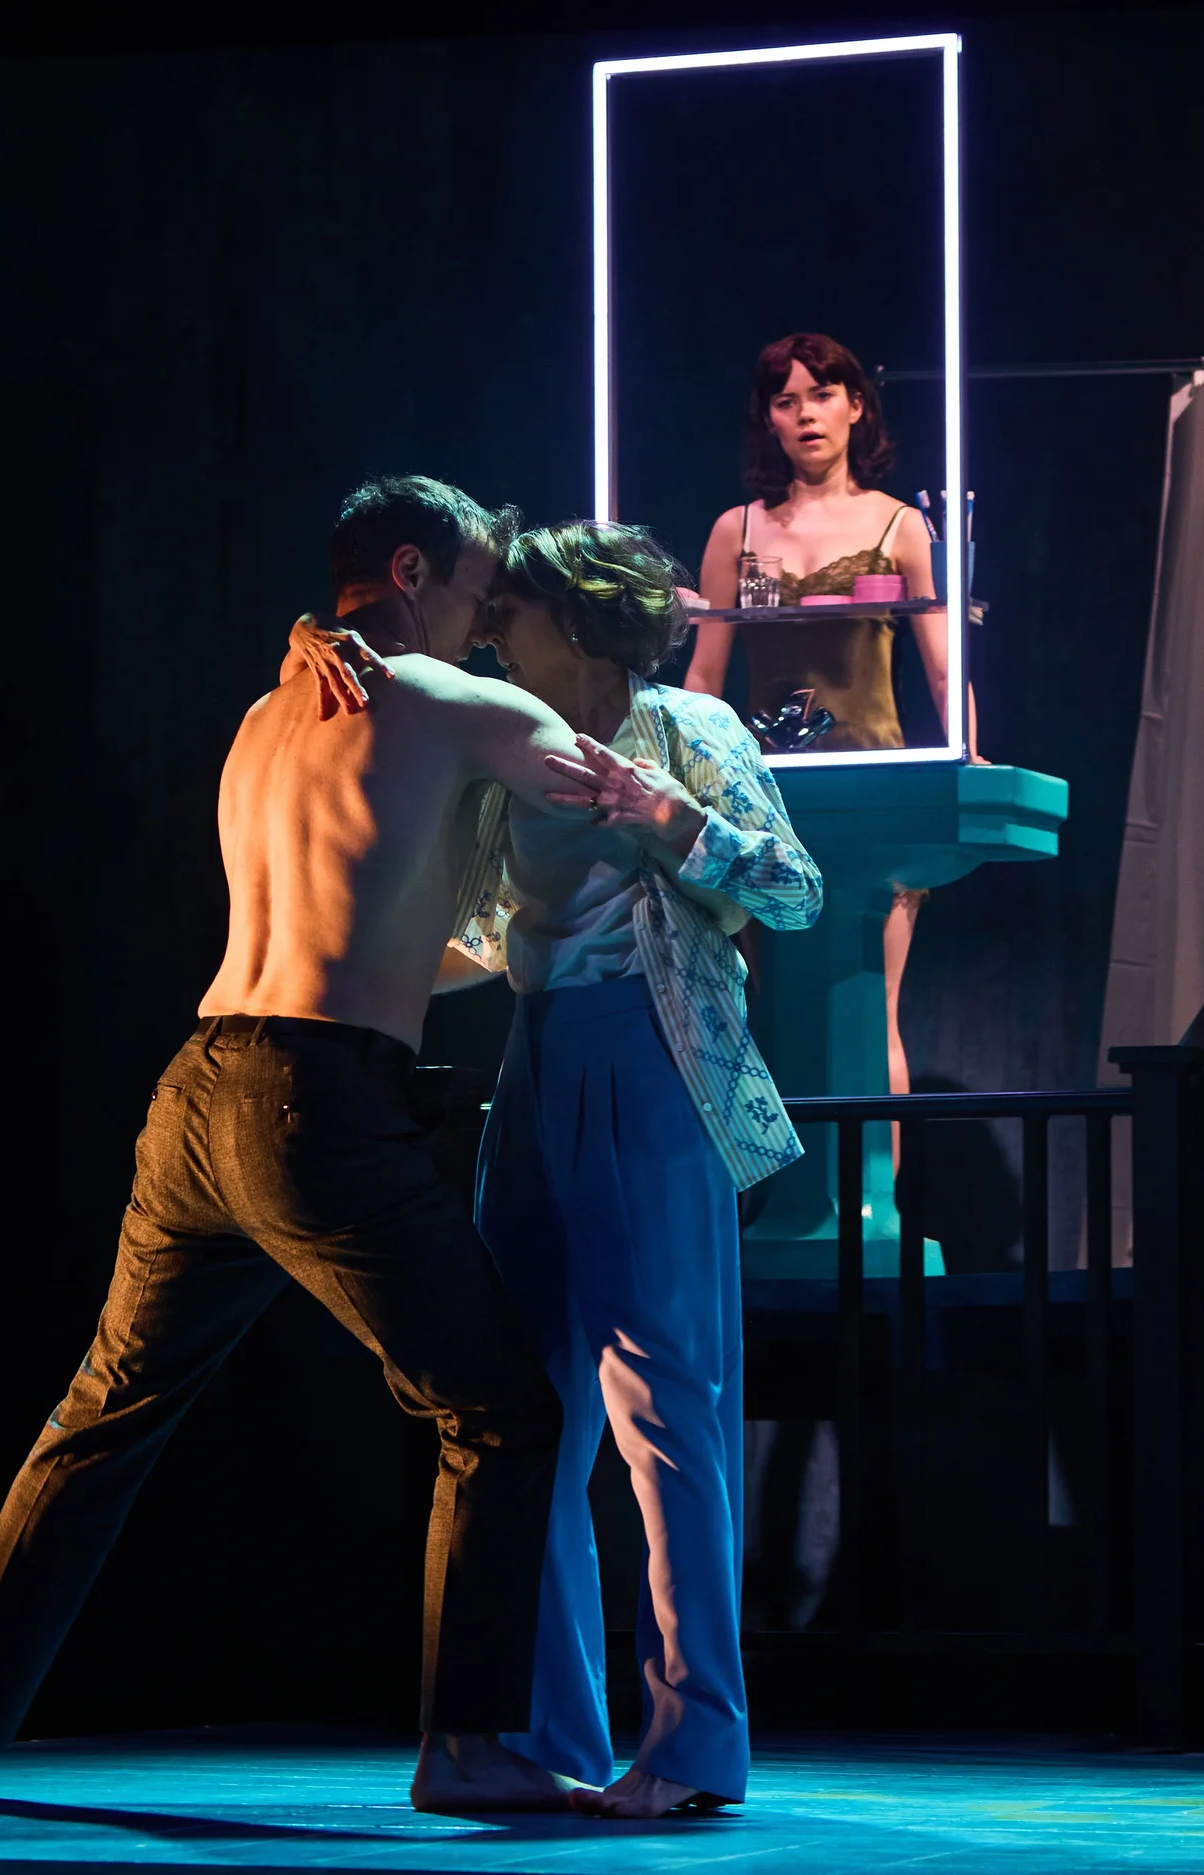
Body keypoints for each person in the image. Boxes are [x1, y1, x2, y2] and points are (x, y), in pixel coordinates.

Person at [0, 475, 612, 1815]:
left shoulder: (265, 711)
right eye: (475, 592)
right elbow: (613, 780)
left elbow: (376, 924)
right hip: (318, 1102)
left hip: (199, 1090)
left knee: (99, 1419)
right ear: (411, 572)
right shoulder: (450, 699)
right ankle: (466, 1748)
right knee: (504, 1413)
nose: (484, 624)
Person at [445, 521, 822, 1818]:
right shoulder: (508, 744)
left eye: (514, 609)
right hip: (535, 1061)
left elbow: (794, 889)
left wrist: (675, 818)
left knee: (666, 1411)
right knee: (526, 1411)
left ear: (580, 620)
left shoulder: (687, 725)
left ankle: (693, 1742)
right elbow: (474, 932)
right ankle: (544, 1731)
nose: (493, 630)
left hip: (654, 1058)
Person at [684, 330, 978, 1118]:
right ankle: (783, 1192)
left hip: (877, 793)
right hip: (762, 798)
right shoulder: (737, 530)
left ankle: (876, 1196)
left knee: (873, 1012)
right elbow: (704, 677)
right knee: (768, 1016)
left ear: (856, 406)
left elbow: (944, 668)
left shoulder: (900, 524)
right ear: (769, 419)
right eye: (787, 400)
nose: (806, 414)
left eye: (821, 395)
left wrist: (967, 757)